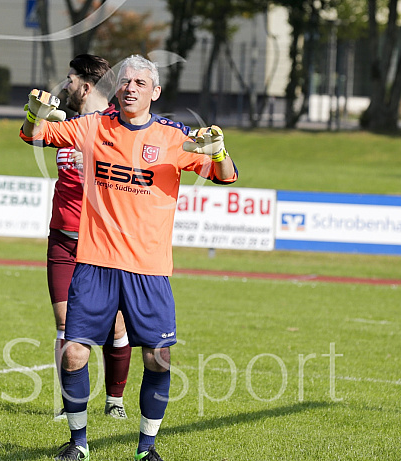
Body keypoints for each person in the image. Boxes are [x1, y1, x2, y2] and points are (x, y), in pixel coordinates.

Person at [21, 55, 238, 461]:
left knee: (158, 357)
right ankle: (78, 443)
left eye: (141, 82)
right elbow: (34, 135)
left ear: (155, 92)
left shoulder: (175, 138)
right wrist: (33, 115)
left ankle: (146, 448)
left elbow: (225, 175)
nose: (131, 87)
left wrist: (220, 152)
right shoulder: (92, 126)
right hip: (95, 263)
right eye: (126, 81)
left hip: (149, 269)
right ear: (116, 88)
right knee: (74, 352)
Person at [43, 54, 132, 422]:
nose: (65, 85)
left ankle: (115, 400)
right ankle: (70, 406)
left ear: (86, 85)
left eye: (70, 79)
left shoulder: (117, 128)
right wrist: (35, 114)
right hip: (62, 241)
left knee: (115, 326)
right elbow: (30, 136)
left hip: (103, 244)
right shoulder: (65, 124)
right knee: (66, 327)